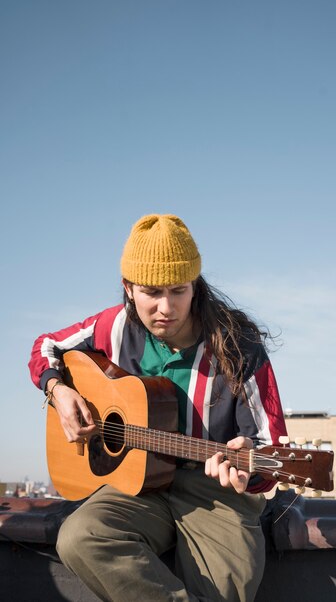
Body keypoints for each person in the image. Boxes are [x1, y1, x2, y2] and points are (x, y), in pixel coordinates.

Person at [29, 214, 287, 602]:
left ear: (195, 287)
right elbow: (46, 346)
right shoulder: (112, 326)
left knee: (227, 587)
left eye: (178, 290)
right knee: (81, 536)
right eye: (151, 292)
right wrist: (58, 391)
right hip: (137, 487)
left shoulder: (239, 346)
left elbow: (273, 446)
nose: (165, 307)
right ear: (128, 288)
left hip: (212, 490)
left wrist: (248, 467)